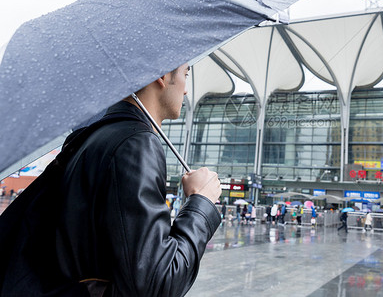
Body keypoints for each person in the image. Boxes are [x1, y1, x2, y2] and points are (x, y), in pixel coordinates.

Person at [1, 63, 222, 296]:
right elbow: (156, 283)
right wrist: (201, 203)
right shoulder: (136, 144)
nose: (186, 90)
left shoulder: (94, 137)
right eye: (186, 74)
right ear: (162, 75)